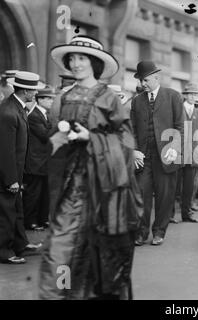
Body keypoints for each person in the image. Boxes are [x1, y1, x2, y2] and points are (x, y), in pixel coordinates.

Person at [39, 35, 143, 299]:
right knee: (61, 246)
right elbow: (54, 140)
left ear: (94, 62)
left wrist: (92, 138)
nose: (75, 63)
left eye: (81, 58)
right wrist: (57, 140)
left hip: (105, 188)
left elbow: (126, 141)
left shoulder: (109, 98)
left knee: (101, 252)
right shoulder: (64, 98)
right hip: (71, 185)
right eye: (71, 58)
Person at [131, 60, 183, 247]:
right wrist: (135, 150)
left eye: (145, 80)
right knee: (141, 195)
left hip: (166, 156)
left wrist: (174, 147)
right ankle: (141, 232)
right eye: (140, 81)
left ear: (156, 77)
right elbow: (133, 130)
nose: (142, 84)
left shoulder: (173, 96)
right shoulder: (137, 101)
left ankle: (159, 231)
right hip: (143, 158)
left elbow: (180, 127)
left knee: (164, 196)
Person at [0, 71, 45, 265]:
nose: (35, 93)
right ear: (25, 90)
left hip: (17, 171)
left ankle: (20, 244)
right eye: (33, 89)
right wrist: (11, 179)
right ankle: (4, 251)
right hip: (8, 174)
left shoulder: (16, 107)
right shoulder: (8, 112)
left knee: (16, 210)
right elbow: (5, 151)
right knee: (6, 213)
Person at [22, 86, 56, 231]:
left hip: (43, 161)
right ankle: (30, 221)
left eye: (51, 98)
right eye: (48, 98)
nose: (51, 101)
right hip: (35, 162)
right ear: (40, 99)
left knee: (44, 193)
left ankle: (42, 219)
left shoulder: (44, 114)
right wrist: (60, 127)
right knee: (33, 193)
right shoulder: (34, 116)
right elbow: (45, 135)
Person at [176, 82, 198, 223]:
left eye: (195, 94)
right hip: (178, 153)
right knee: (174, 186)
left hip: (192, 154)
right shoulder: (178, 110)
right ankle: (169, 215)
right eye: (190, 94)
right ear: (185, 95)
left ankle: (186, 214)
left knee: (189, 187)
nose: (193, 97)